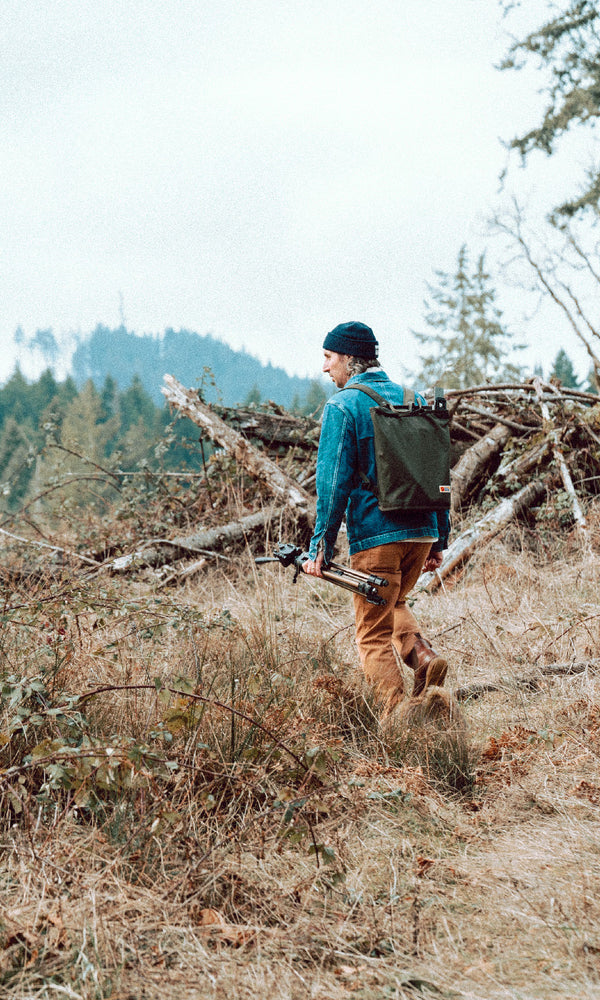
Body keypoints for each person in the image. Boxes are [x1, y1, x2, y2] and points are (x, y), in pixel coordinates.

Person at [303, 321, 450, 720]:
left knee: (372, 633)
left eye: (328, 358)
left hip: (376, 536)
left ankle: (397, 719)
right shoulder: (414, 398)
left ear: (349, 359)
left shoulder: (343, 406)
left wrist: (319, 547)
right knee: (394, 600)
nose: (324, 368)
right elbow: (437, 473)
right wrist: (439, 540)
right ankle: (421, 656)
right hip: (421, 533)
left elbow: (333, 483)